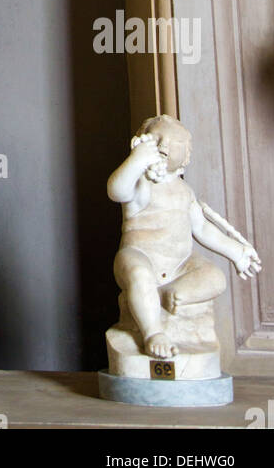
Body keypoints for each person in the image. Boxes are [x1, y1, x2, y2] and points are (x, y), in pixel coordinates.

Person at [108, 115, 261, 359]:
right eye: (157, 139)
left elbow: (202, 229)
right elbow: (116, 191)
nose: (164, 145)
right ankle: (153, 333)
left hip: (180, 265)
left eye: (174, 142)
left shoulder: (185, 191)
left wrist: (236, 251)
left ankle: (169, 294)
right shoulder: (142, 183)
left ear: (186, 155)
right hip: (140, 257)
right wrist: (136, 161)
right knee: (139, 275)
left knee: (215, 277)